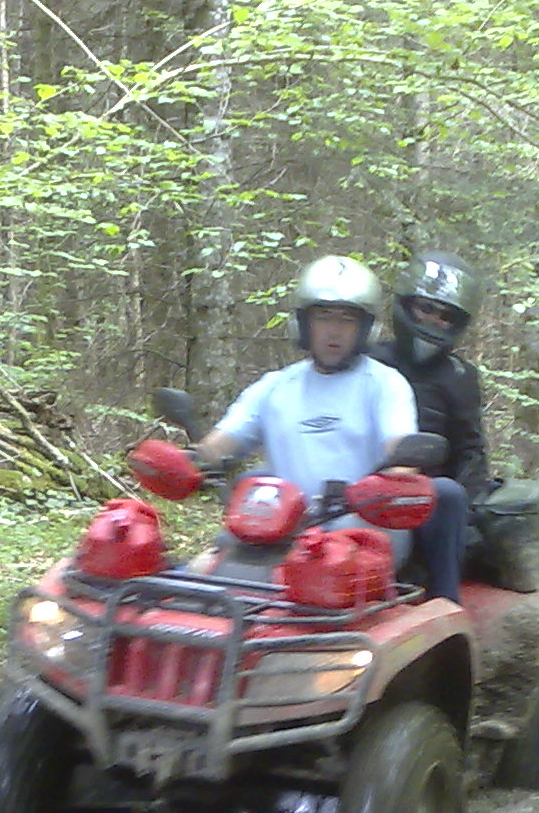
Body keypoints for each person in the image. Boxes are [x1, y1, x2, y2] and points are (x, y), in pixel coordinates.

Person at [195, 254, 468, 602]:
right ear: (305, 323)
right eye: (323, 316)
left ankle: (444, 610)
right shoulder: (275, 386)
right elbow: (222, 442)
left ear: (365, 328)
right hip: (274, 530)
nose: (334, 330)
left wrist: (382, 485)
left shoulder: (384, 383)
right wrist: (189, 459)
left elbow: (401, 455)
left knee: (321, 582)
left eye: (347, 319)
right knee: (197, 573)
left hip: (359, 530)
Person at [371, 251, 491, 496]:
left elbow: (470, 453)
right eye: (426, 308)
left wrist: (469, 511)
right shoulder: (371, 361)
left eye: (446, 315)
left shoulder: (459, 376)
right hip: (365, 492)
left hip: (432, 502)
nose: (434, 320)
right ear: (407, 305)